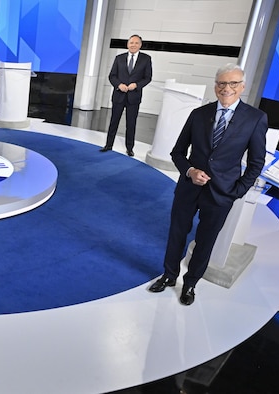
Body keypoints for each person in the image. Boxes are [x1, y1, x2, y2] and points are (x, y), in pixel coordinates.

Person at [148, 64, 267, 305]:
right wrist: (190, 171)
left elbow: (256, 163)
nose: (227, 88)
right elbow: (178, 152)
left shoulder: (255, 119)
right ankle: (170, 276)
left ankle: (190, 284)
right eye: (222, 83)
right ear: (215, 86)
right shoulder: (198, 114)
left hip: (222, 193)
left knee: (205, 241)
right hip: (188, 188)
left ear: (242, 87)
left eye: (233, 83)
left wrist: (237, 191)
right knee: (176, 235)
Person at [100, 34, 152, 156]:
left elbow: (148, 78)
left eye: (136, 43)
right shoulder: (119, 58)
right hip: (119, 95)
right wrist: (118, 85)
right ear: (127, 44)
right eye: (131, 43)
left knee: (131, 123)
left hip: (134, 96)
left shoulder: (146, 59)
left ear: (140, 45)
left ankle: (129, 148)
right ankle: (108, 145)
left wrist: (137, 85)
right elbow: (112, 76)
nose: (133, 45)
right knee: (114, 121)